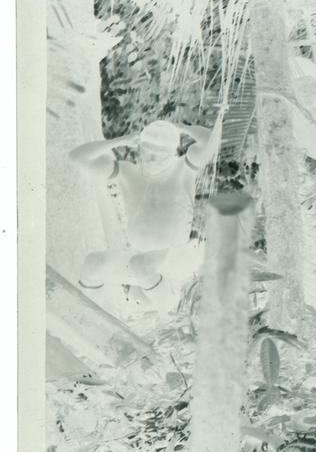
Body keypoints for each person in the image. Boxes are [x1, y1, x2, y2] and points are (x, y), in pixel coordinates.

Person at [69, 113, 224, 312]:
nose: (151, 158)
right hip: (139, 258)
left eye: (159, 153)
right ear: (140, 148)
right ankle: (86, 317)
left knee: (140, 264)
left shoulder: (184, 169)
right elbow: (77, 157)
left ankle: (172, 314)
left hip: (176, 257)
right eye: (147, 150)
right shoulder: (127, 172)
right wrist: (121, 140)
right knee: (93, 263)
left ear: (173, 153)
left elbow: (211, 140)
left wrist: (180, 127)